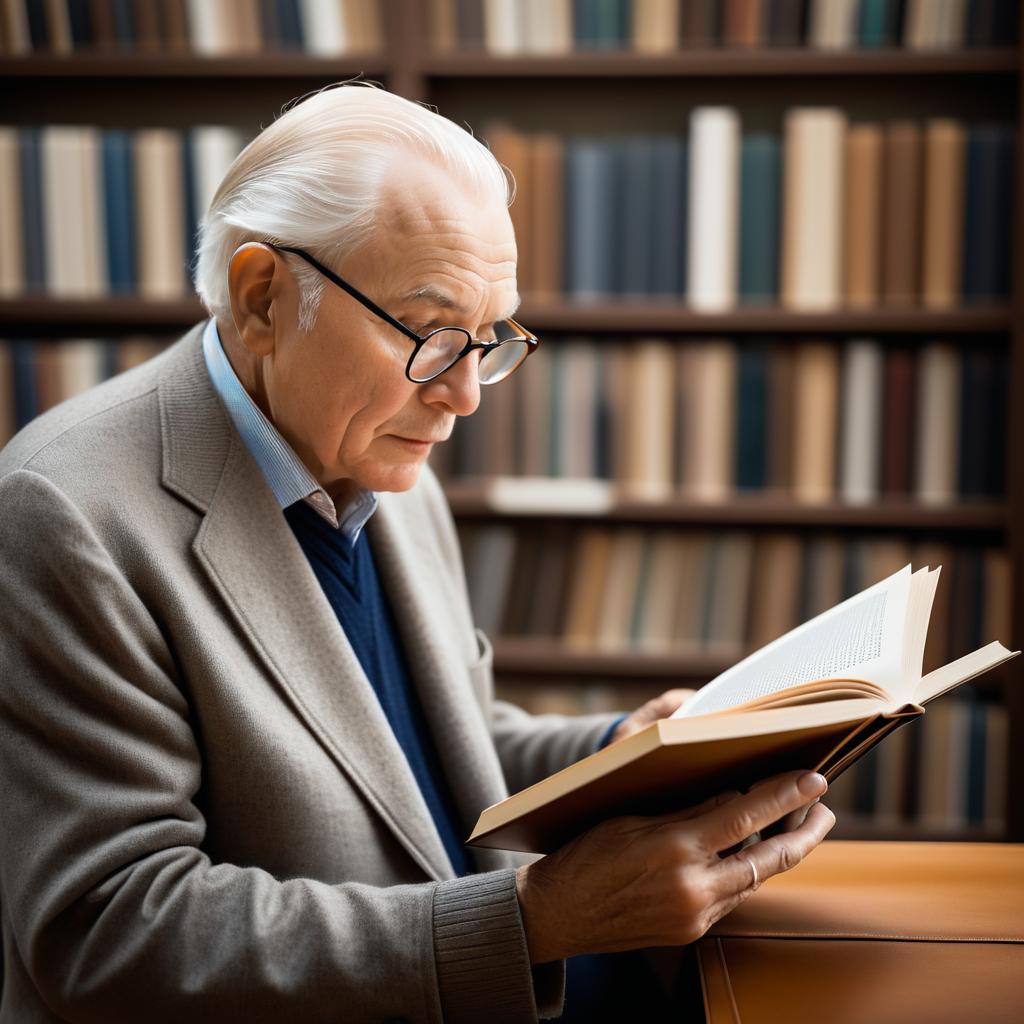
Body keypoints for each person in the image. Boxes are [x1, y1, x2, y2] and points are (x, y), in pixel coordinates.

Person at [0, 83, 834, 1023]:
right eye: (434, 333)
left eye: (491, 337)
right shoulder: (63, 512)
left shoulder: (380, 451)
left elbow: (421, 755)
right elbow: (111, 932)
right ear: (263, 297)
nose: (467, 395)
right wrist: (530, 924)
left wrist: (622, 753)